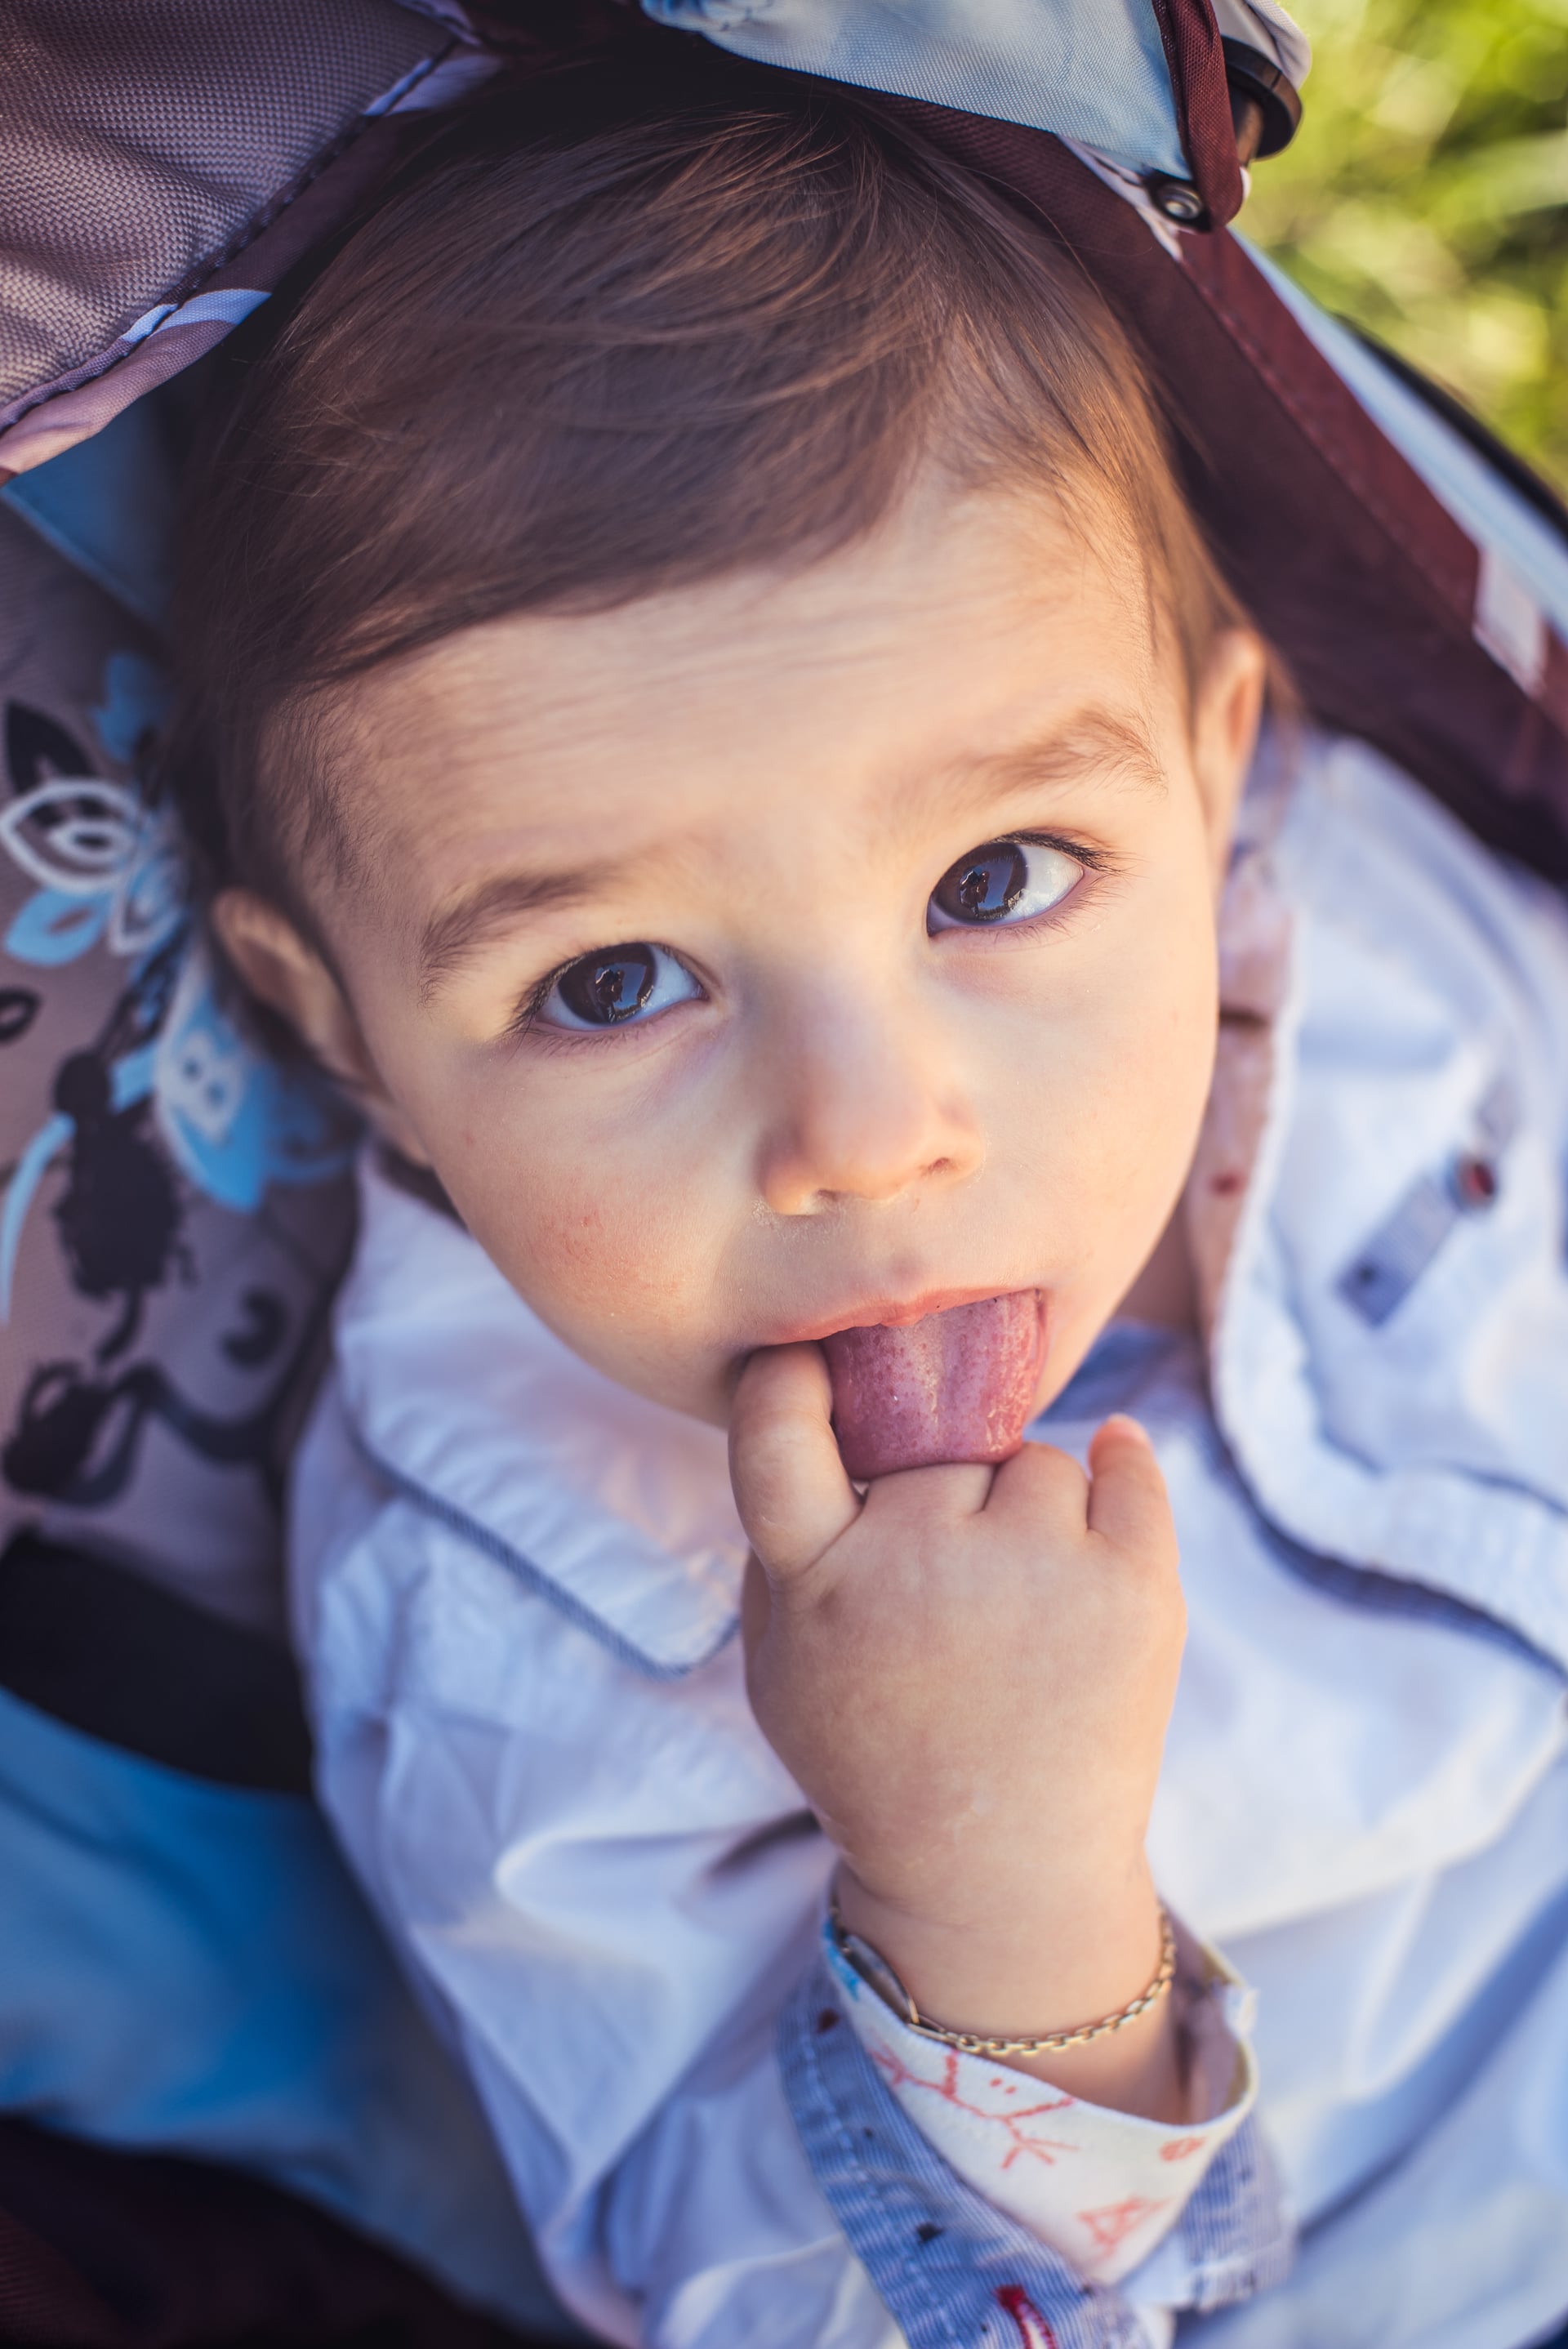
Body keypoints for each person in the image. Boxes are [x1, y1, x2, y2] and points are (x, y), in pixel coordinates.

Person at [165, 51, 1568, 2349]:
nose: (869, 1127)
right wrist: (991, 1907)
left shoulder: (1364, 931)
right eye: (611, 981)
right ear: (337, 1027)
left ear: (1213, 781)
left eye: (999, 880)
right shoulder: (510, 1621)